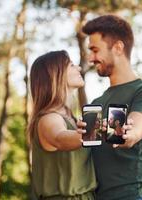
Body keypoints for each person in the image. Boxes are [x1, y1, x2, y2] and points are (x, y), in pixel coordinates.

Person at [82, 15, 142, 200]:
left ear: (118, 48)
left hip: (136, 196)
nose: (90, 58)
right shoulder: (95, 103)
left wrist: (124, 132)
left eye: (95, 50)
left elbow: (132, 133)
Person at [27, 50, 97, 200]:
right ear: (55, 74)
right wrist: (86, 133)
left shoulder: (71, 118)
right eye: (72, 65)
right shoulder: (48, 119)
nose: (79, 68)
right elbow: (60, 138)